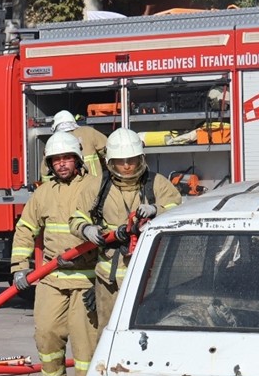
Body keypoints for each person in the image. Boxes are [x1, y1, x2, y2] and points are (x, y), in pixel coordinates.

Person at [11, 132, 98, 376]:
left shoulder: (95, 186)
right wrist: (20, 268)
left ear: (77, 160)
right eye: (56, 160)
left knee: (84, 344)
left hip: (87, 279)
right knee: (47, 333)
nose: (61, 164)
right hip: (51, 278)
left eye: (66, 158)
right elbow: (25, 229)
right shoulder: (43, 193)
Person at [70, 128, 181, 331]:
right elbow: (77, 217)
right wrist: (86, 229)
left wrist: (157, 209)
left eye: (132, 160)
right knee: (108, 330)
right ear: (110, 162)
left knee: (146, 331)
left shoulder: (157, 183)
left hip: (148, 278)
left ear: (141, 159)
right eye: (121, 161)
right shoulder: (98, 186)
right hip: (108, 280)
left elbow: (178, 210)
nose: (127, 166)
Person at [45, 110, 107, 179]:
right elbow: (108, 152)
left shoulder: (52, 142)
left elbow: (45, 172)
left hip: (67, 185)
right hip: (95, 183)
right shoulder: (88, 132)